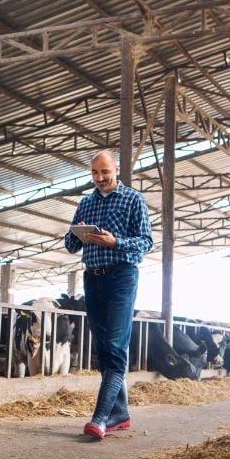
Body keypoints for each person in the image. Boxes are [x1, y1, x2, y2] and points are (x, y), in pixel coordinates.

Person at [63, 149, 153, 440]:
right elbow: (69, 244)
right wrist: (78, 234)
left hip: (122, 277)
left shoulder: (133, 199)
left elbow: (146, 242)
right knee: (102, 348)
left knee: (115, 346)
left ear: (117, 170)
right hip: (93, 278)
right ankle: (120, 413)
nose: (100, 178)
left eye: (105, 172)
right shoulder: (86, 202)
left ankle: (100, 417)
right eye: (94, 173)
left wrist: (115, 242)